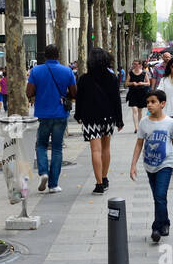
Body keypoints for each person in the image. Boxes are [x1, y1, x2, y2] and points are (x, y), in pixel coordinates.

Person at [129, 89, 173, 243]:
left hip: (166, 163)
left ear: (162, 104)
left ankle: (156, 228)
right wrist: (133, 165)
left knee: (159, 195)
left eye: (153, 102)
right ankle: (165, 222)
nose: (149, 105)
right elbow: (139, 145)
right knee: (158, 197)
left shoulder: (170, 123)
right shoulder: (144, 123)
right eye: (148, 102)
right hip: (149, 164)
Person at [27, 44, 77, 193]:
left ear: (44, 56)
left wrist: (39, 91)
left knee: (41, 145)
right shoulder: (67, 71)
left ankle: (43, 172)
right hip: (60, 113)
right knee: (57, 148)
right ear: (58, 55)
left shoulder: (36, 71)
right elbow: (74, 93)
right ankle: (54, 184)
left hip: (42, 114)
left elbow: (28, 92)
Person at [75, 48, 123, 194]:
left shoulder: (83, 78)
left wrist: (78, 115)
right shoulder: (112, 78)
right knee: (106, 148)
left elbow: (79, 100)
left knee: (95, 150)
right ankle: (105, 176)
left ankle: (99, 184)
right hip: (108, 117)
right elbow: (116, 100)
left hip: (90, 118)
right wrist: (119, 120)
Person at [125, 59, 150, 130]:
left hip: (142, 93)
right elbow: (126, 83)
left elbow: (148, 83)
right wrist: (132, 83)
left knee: (140, 111)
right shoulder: (130, 73)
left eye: (137, 64)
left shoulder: (144, 73)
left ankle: (139, 125)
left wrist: (142, 83)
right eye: (134, 64)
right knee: (134, 109)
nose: (135, 65)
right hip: (133, 93)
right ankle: (136, 127)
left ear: (140, 65)